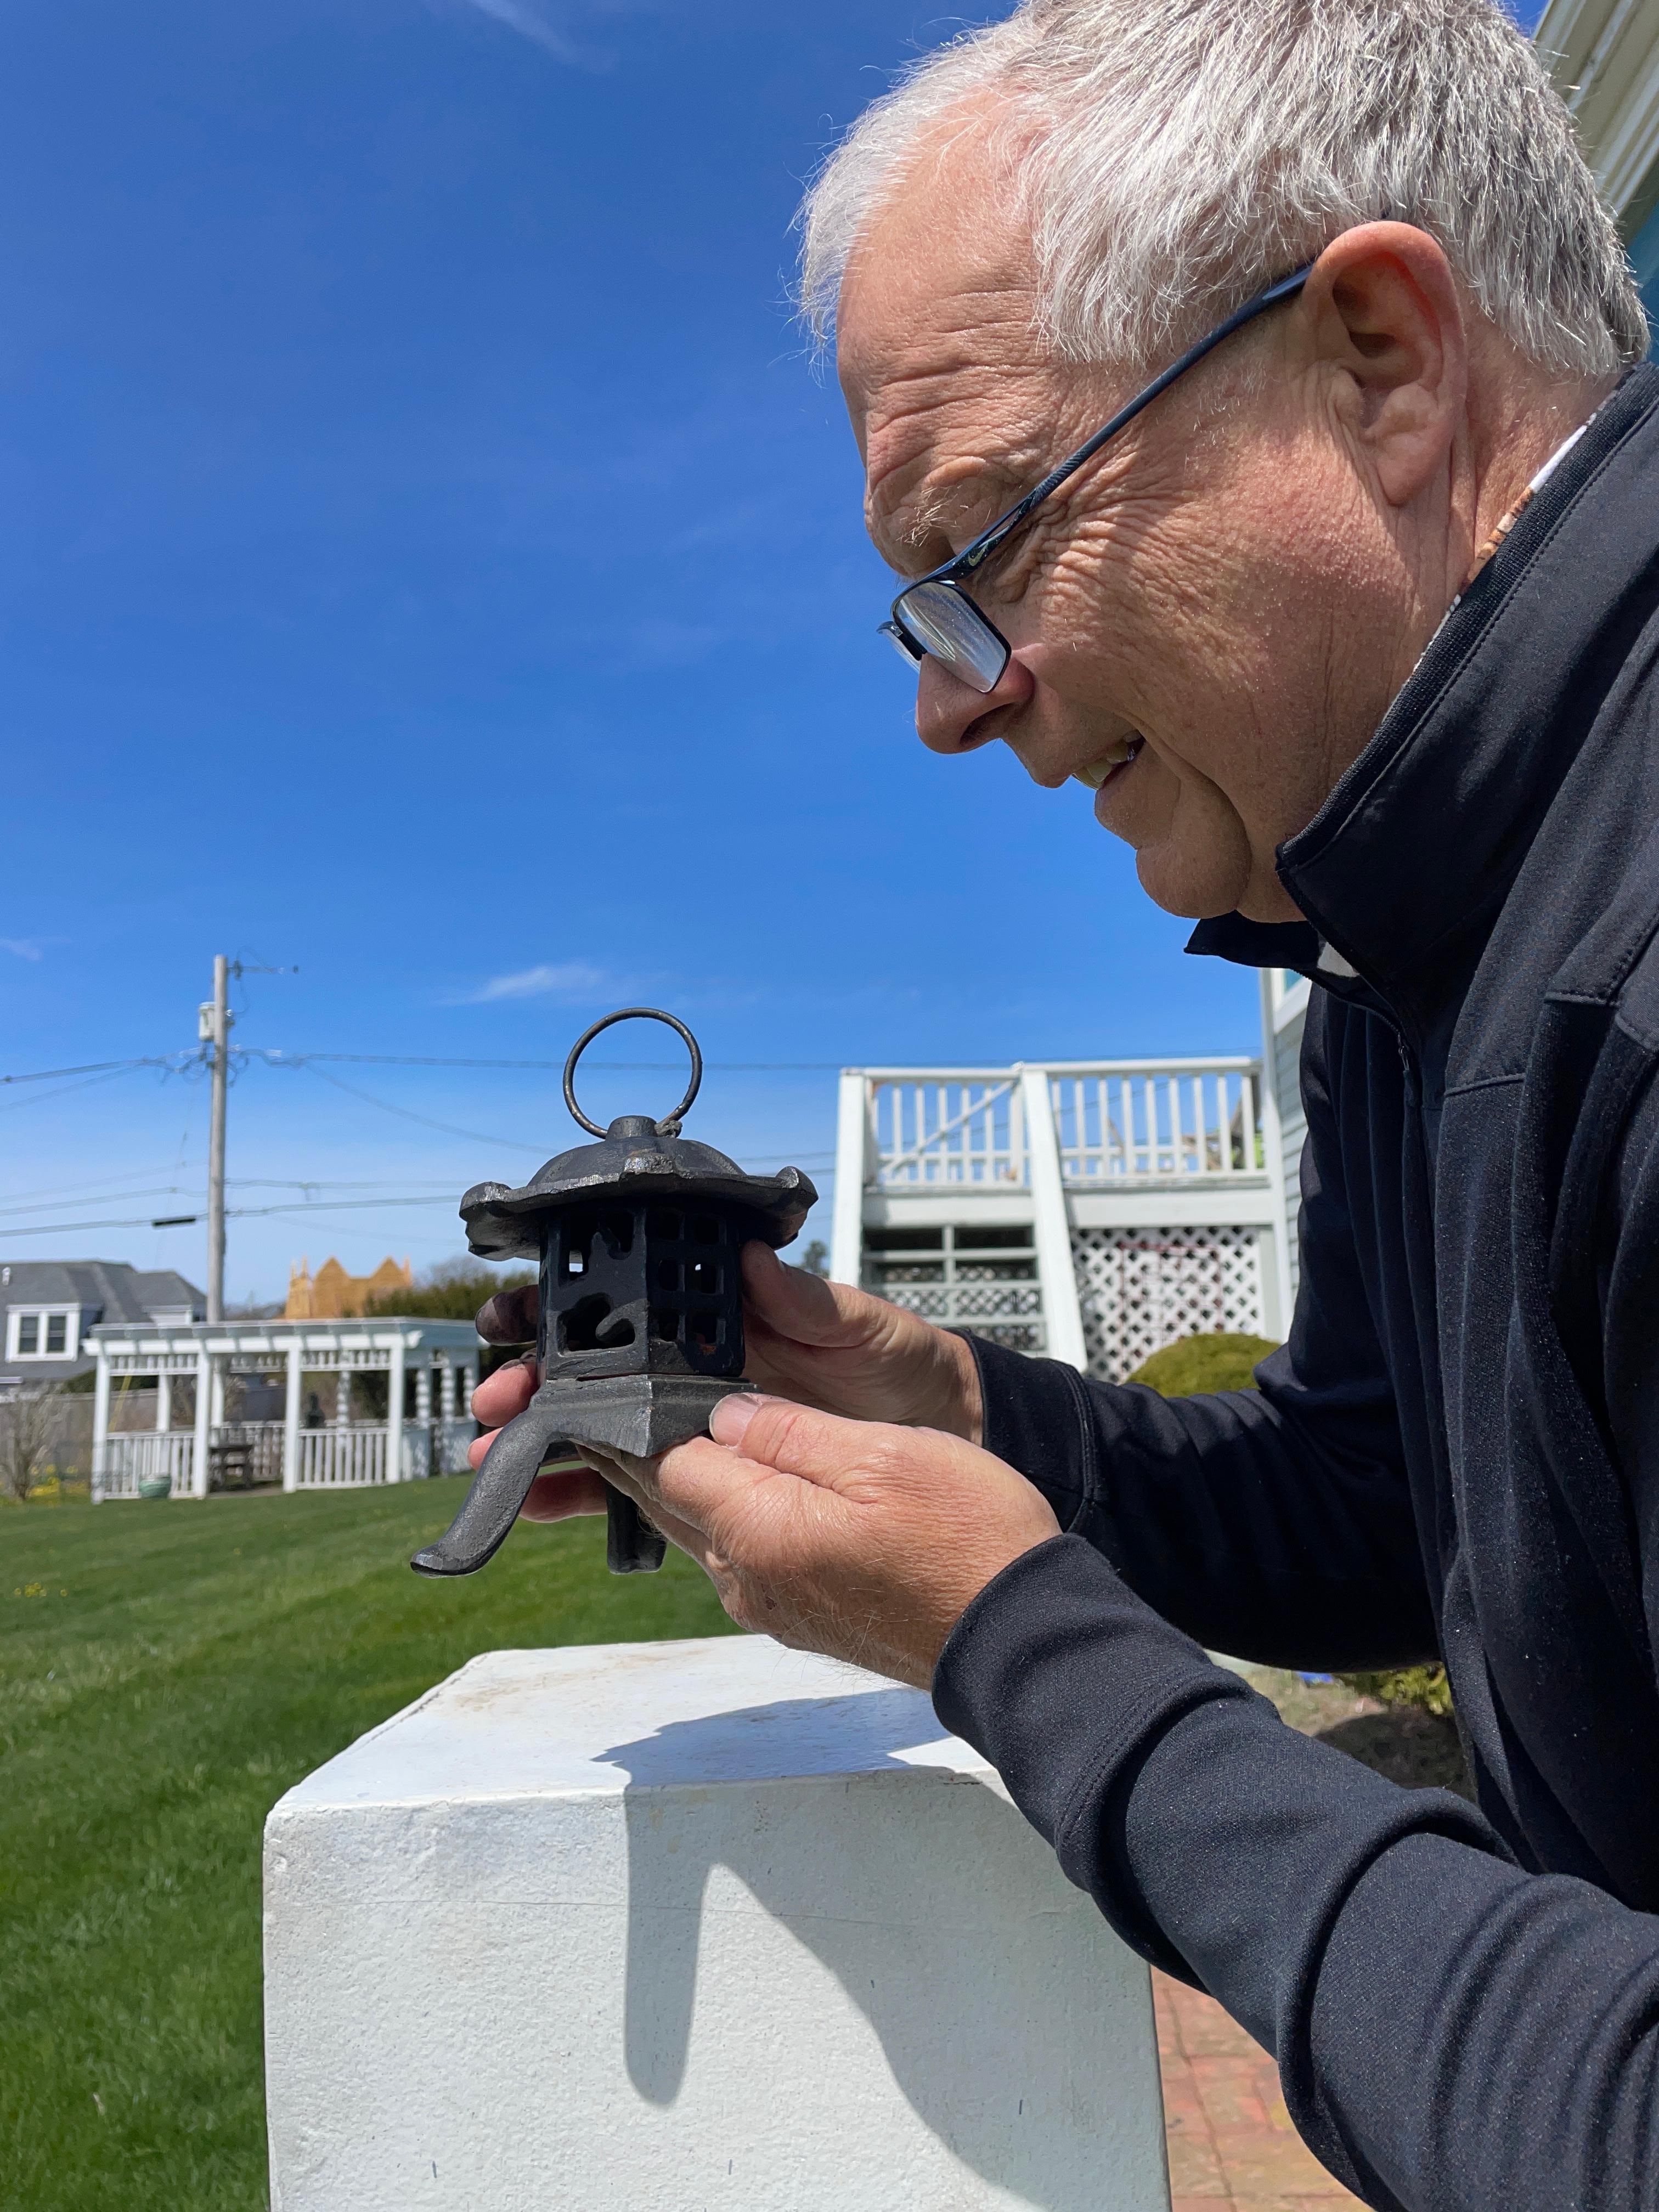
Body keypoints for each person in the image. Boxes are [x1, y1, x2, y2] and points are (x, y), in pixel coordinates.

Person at [475, 3, 1659, 2205]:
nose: (952, 705)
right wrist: (949, 1410)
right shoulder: (1416, 920)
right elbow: (1395, 1511)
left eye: (990, 537)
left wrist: (1021, 1649)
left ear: (1383, 361)